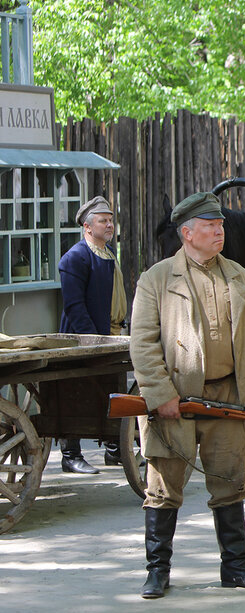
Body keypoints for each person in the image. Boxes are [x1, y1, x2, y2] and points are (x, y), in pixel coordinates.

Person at [130, 192, 245, 598]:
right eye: (211, 226)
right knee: (163, 487)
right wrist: (160, 394)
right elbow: (142, 345)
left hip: (230, 398)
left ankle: (236, 567)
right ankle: (157, 571)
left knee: (231, 482)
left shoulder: (243, 279)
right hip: (175, 402)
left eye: (221, 225)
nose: (220, 231)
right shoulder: (156, 279)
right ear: (187, 232)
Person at [57, 195, 127, 473]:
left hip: (111, 334)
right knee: (75, 393)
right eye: (103, 221)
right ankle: (70, 454)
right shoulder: (75, 258)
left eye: (110, 220)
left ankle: (114, 449)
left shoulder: (108, 253)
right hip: (85, 339)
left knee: (110, 391)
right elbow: (74, 306)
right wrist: (93, 341)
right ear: (87, 227)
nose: (109, 225)